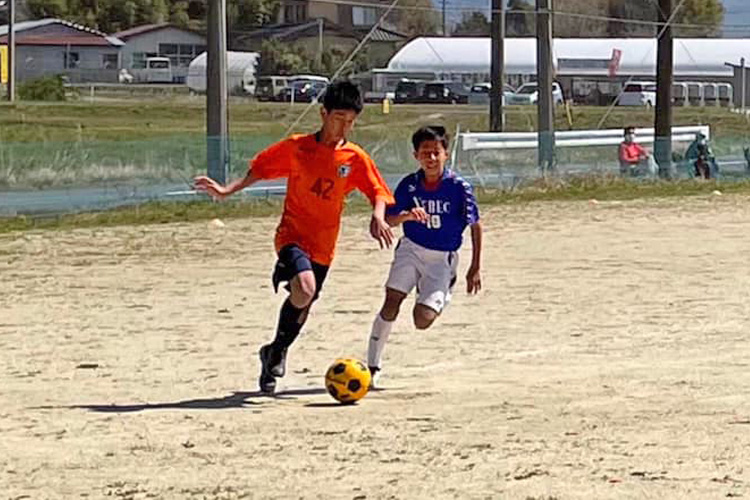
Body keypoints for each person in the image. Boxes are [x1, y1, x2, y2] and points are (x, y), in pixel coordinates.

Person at [194, 81, 395, 394]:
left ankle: (274, 351)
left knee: (304, 300)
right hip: (292, 235)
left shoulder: (354, 158)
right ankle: (277, 348)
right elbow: (260, 168)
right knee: (305, 287)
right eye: (339, 118)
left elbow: (378, 190)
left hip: (324, 246)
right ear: (324, 113)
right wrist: (226, 190)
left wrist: (378, 214)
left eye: (351, 121)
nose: (345, 126)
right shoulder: (298, 147)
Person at [366, 126, 483, 388]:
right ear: (415, 155)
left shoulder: (458, 188)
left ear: (445, 154)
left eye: (435, 153)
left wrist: (475, 266)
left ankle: (438, 292)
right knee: (391, 300)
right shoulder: (409, 185)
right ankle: (372, 366)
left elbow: (475, 225)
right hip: (411, 249)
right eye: (424, 153)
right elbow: (390, 219)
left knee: (422, 320)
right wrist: (406, 216)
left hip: (441, 258)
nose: (430, 159)